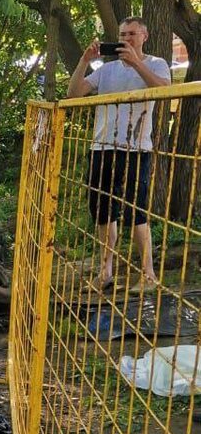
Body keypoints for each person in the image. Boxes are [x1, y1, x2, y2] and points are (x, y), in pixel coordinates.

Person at [67, 17, 171, 291]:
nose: (126, 38)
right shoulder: (106, 70)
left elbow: (165, 91)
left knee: (136, 210)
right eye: (122, 34)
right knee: (103, 211)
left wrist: (136, 62)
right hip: (102, 147)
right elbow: (74, 95)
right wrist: (84, 61)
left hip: (136, 147)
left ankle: (148, 274)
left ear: (144, 36)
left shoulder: (156, 63)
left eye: (132, 34)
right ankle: (105, 273)